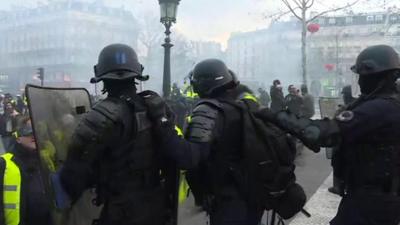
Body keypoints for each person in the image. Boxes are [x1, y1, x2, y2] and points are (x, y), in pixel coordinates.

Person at [257, 45, 400, 225]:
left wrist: (271, 115)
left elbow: (320, 133)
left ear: (378, 76)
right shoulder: (385, 103)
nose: (360, 81)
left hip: (373, 201)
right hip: (374, 196)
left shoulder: (381, 108)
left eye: (363, 76)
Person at [145, 59, 273, 225]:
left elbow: (189, 157)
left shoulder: (209, 110)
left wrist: (162, 122)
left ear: (203, 84)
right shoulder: (240, 106)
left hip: (229, 201)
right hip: (251, 193)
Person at [58, 43, 172, 225]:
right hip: (156, 205)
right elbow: (173, 155)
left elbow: (72, 177)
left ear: (101, 76)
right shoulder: (157, 109)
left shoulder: (98, 117)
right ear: (137, 74)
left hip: (121, 211)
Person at [0, 115, 53, 225]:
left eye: (35, 131)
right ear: (18, 138)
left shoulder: (46, 159)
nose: (33, 135)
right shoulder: (4, 164)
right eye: (28, 131)